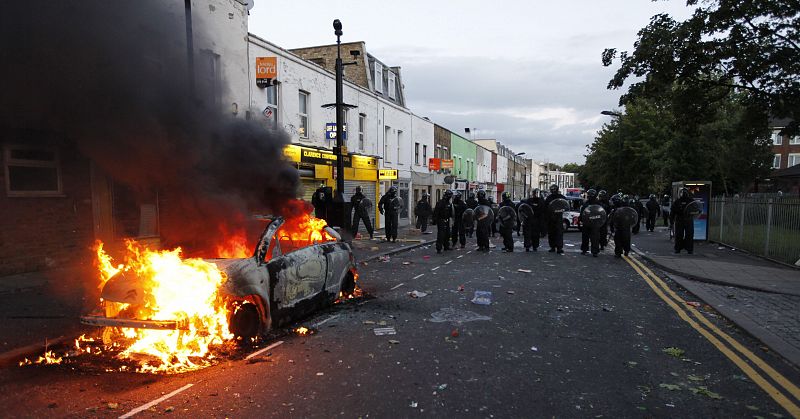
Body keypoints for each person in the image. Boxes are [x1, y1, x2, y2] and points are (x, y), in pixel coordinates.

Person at [671, 187, 695, 254]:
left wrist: (671, 221)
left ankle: (678, 249)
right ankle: (689, 249)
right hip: (687, 220)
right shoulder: (691, 201)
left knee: (679, 235)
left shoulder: (677, 201)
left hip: (680, 220)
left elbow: (672, 212)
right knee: (688, 235)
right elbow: (696, 209)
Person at [579, 189, 602, 257]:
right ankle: (593, 251)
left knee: (591, 237)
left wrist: (581, 219)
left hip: (592, 222)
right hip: (590, 222)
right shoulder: (597, 203)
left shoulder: (589, 203)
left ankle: (586, 250)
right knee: (592, 237)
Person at [544, 184, 566, 253]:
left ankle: (559, 247)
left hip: (558, 217)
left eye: (554, 189)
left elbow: (565, 205)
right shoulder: (549, 198)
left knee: (559, 233)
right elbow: (545, 207)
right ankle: (552, 247)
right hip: (551, 217)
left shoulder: (561, 197)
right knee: (551, 233)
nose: (553, 191)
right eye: (552, 190)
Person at [433, 190, 454, 254]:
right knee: (441, 235)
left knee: (447, 234)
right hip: (441, 220)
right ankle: (439, 248)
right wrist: (435, 220)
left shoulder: (449, 203)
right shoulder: (440, 203)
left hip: (447, 220)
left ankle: (446, 246)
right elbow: (436, 212)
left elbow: (450, 212)